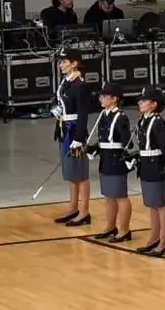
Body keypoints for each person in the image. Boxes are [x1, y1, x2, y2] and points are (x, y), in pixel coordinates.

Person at [50, 48, 95, 227]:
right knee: (70, 172)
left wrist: (79, 138)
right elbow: (59, 99)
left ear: (74, 63)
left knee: (80, 173)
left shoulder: (80, 85)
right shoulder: (66, 82)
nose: (60, 65)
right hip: (64, 129)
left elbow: (83, 114)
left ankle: (84, 212)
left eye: (64, 62)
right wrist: (55, 109)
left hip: (75, 130)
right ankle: (73, 208)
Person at [87, 82, 134, 242]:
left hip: (116, 160)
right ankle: (110, 226)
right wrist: (95, 147)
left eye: (105, 96)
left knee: (120, 196)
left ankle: (124, 230)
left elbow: (128, 143)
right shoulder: (104, 115)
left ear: (114, 99)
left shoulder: (120, 117)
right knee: (109, 196)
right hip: (105, 160)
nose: (101, 98)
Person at [131, 85, 165, 256]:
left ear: (154, 104)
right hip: (146, 165)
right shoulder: (143, 121)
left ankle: (164, 241)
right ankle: (154, 238)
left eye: (144, 100)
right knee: (152, 205)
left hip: (156, 165)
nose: (140, 103)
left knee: (161, 204)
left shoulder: (157, 122)